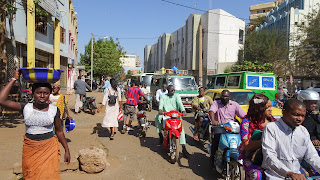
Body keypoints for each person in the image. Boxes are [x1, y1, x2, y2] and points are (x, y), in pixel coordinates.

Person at [0, 70, 70, 179]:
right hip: (30, 149)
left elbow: (59, 131)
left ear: (49, 94)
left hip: (49, 149)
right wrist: (14, 79)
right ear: (33, 93)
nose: (42, 96)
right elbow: (2, 100)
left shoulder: (54, 110)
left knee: (49, 175)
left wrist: (67, 150)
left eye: (45, 93)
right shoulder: (25, 107)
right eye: (39, 93)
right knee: (31, 175)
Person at [262, 99, 320, 180]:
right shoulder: (272, 128)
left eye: (303, 116)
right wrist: (289, 173)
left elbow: (312, 156)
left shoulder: (303, 131)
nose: (300, 119)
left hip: (299, 176)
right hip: (276, 176)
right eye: (296, 115)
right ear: (284, 112)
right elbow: (269, 156)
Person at [238, 94, 276, 180]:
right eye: (268, 107)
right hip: (252, 158)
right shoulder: (246, 123)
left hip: (270, 157)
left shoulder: (273, 122)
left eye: (271, 107)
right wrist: (265, 141)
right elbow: (246, 146)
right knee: (257, 176)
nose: (270, 110)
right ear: (259, 108)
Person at [209, 90, 246, 162]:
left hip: (232, 128)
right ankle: (212, 158)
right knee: (216, 140)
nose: (225, 98)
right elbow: (212, 111)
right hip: (220, 127)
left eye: (226, 96)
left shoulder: (235, 105)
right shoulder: (216, 103)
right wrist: (213, 121)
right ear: (221, 96)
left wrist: (246, 121)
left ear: (229, 97)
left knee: (240, 141)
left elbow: (243, 115)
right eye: (223, 96)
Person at [156, 85, 190, 157]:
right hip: (166, 115)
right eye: (172, 90)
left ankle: (184, 148)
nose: (173, 91)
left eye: (174, 90)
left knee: (181, 130)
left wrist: (183, 111)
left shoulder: (176, 96)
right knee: (158, 118)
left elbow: (180, 103)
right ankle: (160, 134)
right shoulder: (163, 96)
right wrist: (160, 110)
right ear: (168, 90)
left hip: (176, 116)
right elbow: (161, 104)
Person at [298, 90, 320, 175]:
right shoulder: (300, 117)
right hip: (305, 148)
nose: (314, 105)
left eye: (315, 103)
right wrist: (312, 139)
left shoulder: (316, 115)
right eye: (312, 103)